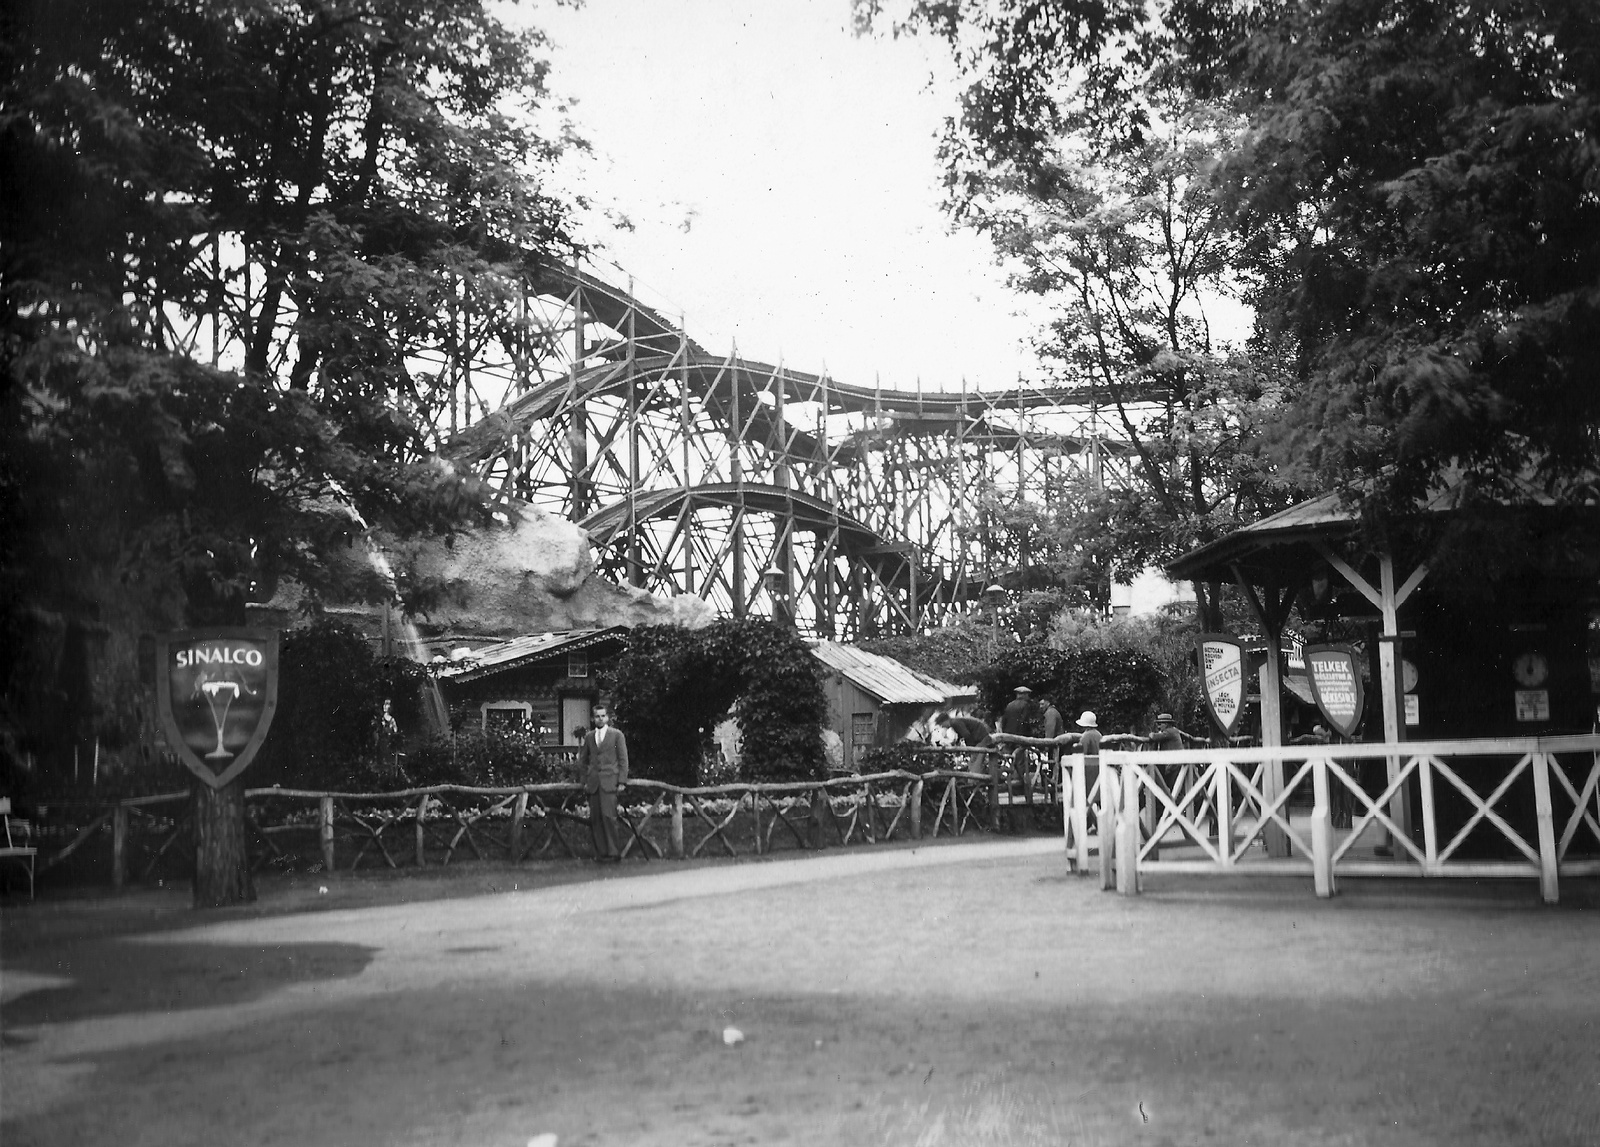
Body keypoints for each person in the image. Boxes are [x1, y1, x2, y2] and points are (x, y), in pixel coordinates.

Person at [577, 703, 629, 863]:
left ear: (607, 717)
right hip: (593, 783)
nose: (600, 719)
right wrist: (584, 780)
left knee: (609, 817)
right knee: (596, 819)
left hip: (609, 782)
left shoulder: (617, 735)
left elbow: (623, 760)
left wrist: (622, 781)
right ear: (593, 719)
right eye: (597, 716)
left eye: (602, 716)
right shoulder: (589, 737)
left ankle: (614, 852)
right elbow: (583, 760)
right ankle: (601, 853)